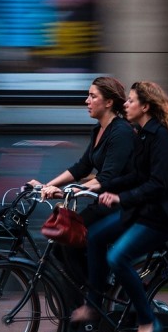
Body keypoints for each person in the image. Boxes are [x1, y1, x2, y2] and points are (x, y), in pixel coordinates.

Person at [72, 81, 168, 332]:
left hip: (164, 215)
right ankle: (94, 306)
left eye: (130, 101)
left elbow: (157, 184)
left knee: (118, 257)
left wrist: (120, 197)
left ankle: (148, 320)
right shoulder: (142, 134)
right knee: (94, 236)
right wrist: (103, 186)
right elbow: (136, 175)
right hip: (144, 210)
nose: (125, 105)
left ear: (146, 106)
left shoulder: (161, 136)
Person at [27, 76, 136, 287]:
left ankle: (93, 297)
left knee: (70, 240)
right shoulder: (98, 130)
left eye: (92, 96)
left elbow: (107, 178)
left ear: (108, 102)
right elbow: (82, 167)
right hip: (101, 203)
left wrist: (70, 191)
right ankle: (91, 293)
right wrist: (47, 185)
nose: (87, 101)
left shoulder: (121, 132)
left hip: (119, 205)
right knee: (63, 244)